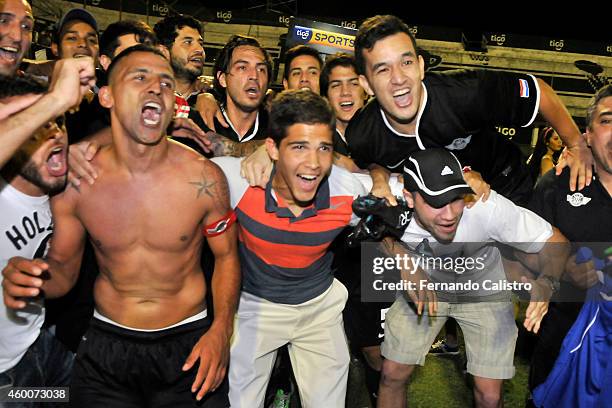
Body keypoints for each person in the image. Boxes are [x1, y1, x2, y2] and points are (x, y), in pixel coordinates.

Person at [2, 45, 240, 407]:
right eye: (139, 77)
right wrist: (35, 281)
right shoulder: (79, 182)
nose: (155, 88)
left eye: (164, 83)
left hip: (188, 344)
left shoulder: (205, 178)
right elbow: (64, 273)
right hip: (105, 348)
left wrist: (221, 330)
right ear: (107, 96)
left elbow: (226, 258)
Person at [375, 148, 569, 408]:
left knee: (489, 393)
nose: (450, 214)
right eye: (436, 202)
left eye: (455, 198)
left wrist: (547, 283)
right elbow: (373, 230)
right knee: (391, 374)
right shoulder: (388, 198)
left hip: (483, 284)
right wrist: (402, 259)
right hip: (426, 282)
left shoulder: (485, 206)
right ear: (409, 197)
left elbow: (556, 241)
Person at [211, 89, 367, 407]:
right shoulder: (235, 180)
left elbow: (403, 191)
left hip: (319, 309)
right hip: (256, 306)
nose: (313, 163)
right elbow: (166, 171)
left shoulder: (347, 191)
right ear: (272, 148)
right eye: (298, 147)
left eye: (324, 148)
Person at [348, 14, 592, 206]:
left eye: (406, 62)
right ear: (366, 84)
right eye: (383, 69)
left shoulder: (466, 92)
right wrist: (379, 177)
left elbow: (537, 91)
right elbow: (370, 160)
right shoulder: (362, 134)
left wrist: (576, 145)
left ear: (421, 67)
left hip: (505, 184)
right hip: (440, 208)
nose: (398, 78)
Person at [527, 84, 612, 407]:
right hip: (560, 346)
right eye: (607, 120)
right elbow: (522, 257)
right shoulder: (556, 186)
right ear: (587, 135)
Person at [0, 74, 74, 400]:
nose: (55, 132)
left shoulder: (64, 195)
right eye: (37, 124)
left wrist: (37, 281)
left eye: (57, 120)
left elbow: (65, 273)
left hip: (44, 347)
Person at [0, 0, 96, 169]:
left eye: (26, 27)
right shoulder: (52, 97)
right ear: (55, 48)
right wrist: (56, 100)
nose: (17, 36)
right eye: (3, 20)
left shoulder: (31, 92)